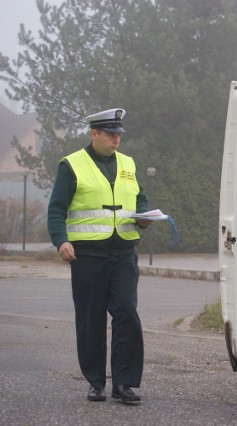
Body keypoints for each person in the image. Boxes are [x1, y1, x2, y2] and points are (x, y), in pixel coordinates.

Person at [48, 108, 152, 403]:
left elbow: (138, 196)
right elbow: (56, 209)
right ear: (93, 133)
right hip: (87, 255)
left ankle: (124, 383)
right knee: (91, 319)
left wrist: (144, 215)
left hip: (123, 252)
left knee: (126, 314)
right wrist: (61, 241)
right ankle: (96, 382)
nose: (116, 140)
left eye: (118, 134)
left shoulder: (128, 163)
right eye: (110, 134)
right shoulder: (72, 165)